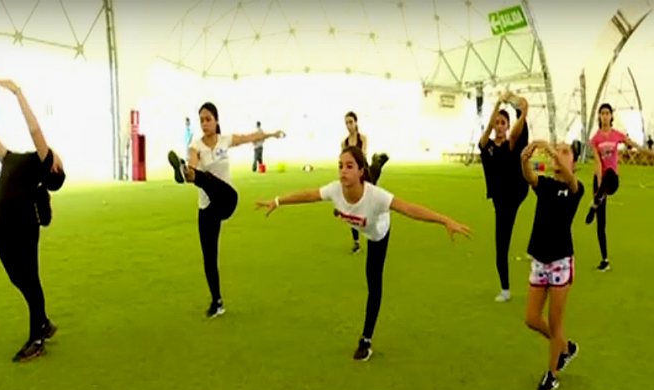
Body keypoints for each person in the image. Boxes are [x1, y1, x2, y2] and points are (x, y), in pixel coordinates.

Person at [255, 146, 471, 361]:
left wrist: (445, 220)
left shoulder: (377, 197)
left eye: (349, 166)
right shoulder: (335, 190)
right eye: (340, 166)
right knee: (354, 203)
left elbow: (408, 209)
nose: (343, 171)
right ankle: (373, 169)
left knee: (374, 283)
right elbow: (310, 195)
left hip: (378, 233)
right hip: (359, 220)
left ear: (360, 171)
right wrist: (277, 201)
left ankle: (366, 340)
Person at [167, 102, 284, 317]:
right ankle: (217, 301)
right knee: (209, 257)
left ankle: (188, 174)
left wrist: (272, 134)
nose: (204, 124)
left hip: (227, 199)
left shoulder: (225, 140)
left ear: (216, 121)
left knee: (205, 178)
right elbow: (194, 161)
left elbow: (250, 137)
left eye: (208, 119)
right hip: (208, 208)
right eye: (201, 120)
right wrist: (190, 170)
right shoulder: (195, 146)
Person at [0, 80, 66, 362]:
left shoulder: (42, 165)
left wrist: (18, 94)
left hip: (23, 229)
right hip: (2, 227)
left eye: (58, 164)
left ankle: (37, 338)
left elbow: (34, 130)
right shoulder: (11, 159)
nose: (57, 158)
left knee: (30, 281)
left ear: (53, 169)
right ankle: (43, 321)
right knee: (16, 277)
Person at [521, 140, 583, 390]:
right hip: (540, 258)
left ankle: (552, 374)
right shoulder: (546, 185)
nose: (559, 154)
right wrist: (524, 160)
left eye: (565, 152)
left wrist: (552, 152)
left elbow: (570, 180)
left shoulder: (575, 188)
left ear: (574, 163)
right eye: (558, 150)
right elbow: (530, 177)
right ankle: (565, 347)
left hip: (560, 261)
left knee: (556, 321)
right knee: (532, 318)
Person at [585, 103, 651, 271]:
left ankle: (594, 203)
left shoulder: (616, 135)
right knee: (601, 223)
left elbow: (634, 144)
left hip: (612, 180)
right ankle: (605, 260)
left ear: (611, 116)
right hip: (601, 181)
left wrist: (649, 153)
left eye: (607, 113)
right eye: (602, 113)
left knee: (610, 173)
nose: (605, 116)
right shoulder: (595, 139)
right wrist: (599, 185)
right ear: (599, 117)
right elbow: (598, 163)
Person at [478, 92, 530, 302]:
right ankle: (505, 289)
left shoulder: (510, 145)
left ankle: (520, 112)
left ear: (507, 126)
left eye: (503, 123)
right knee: (501, 246)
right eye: (497, 123)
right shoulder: (487, 146)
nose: (499, 126)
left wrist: (521, 111)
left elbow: (517, 133)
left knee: (520, 134)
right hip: (500, 202)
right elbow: (486, 133)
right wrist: (498, 103)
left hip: (516, 192)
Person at [341, 111, 390, 254]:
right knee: (352, 207)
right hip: (352, 177)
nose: (349, 125)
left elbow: (362, 156)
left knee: (374, 177)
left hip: (363, 172)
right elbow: (343, 160)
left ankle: (378, 161)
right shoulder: (344, 142)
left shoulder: (362, 139)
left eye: (351, 122)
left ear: (356, 123)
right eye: (346, 123)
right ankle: (356, 242)